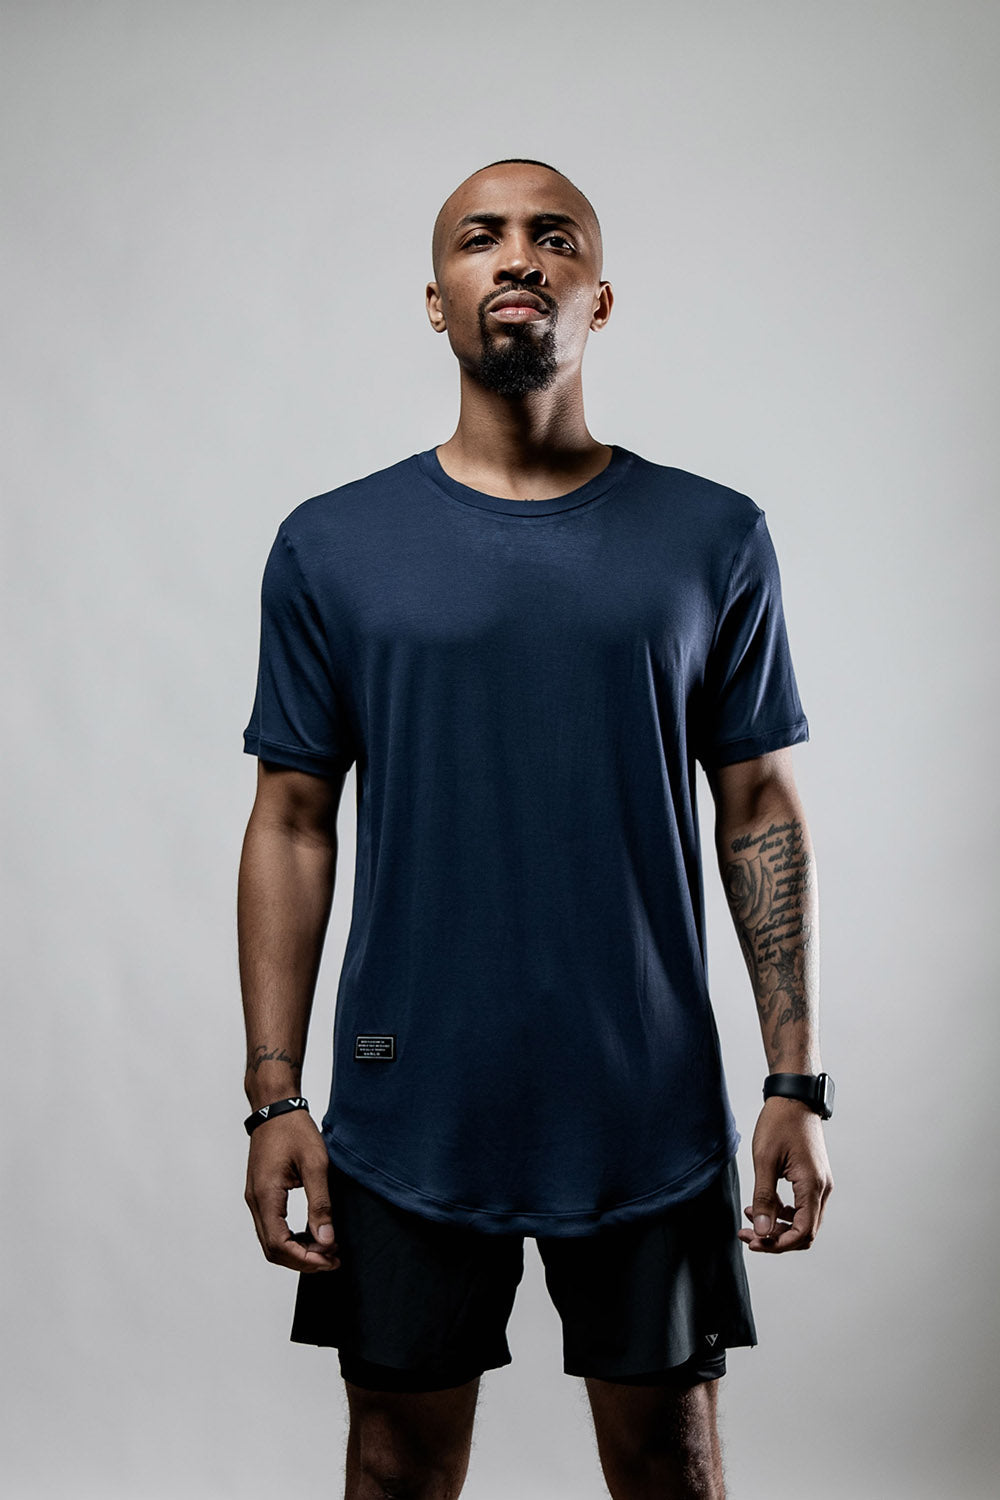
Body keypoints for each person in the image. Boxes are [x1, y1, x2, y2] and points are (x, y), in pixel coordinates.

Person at [238, 156, 833, 1500]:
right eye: (480, 238)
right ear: (435, 300)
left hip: (644, 1101)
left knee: (669, 1459)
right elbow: (290, 819)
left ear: (597, 297)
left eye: (552, 236)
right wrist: (275, 1096)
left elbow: (758, 803)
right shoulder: (333, 545)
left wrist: (795, 1080)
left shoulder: (712, 536)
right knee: (395, 1463)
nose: (517, 256)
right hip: (407, 1098)